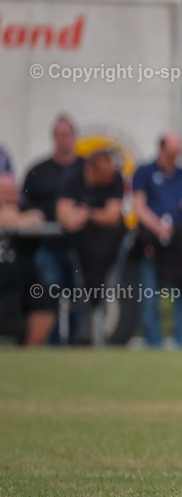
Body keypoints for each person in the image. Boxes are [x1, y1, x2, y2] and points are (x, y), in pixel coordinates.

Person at [133, 132, 182, 349]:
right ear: (161, 149)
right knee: (150, 297)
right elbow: (139, 207)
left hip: (178, 243)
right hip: (152, 241)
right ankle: (154, 346)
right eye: (171, 153)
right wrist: (158, 227)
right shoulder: (144, 172)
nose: (174, 157)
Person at [55, 148, 125, 341]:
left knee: (106, 290)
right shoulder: (72, 178)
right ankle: (81, 337)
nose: (110, 178)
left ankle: (100, 337)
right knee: (80, 290)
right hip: (80, 247)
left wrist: (87, 213)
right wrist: (77, 216)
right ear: (91, 169)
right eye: (105, 174)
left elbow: (112, 216)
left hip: (110, 247)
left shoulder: (115, 178)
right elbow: (64, 215)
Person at [21, 114, 79, 343]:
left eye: (67, 134)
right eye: (59, 134)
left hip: (79, 247)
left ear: (74, 136)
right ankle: (50, 345)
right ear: (53, 137)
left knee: (79, 298)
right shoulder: (38, 171)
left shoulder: (84, 169)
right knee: (48, 297)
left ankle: (76, 344)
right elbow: (24, 205)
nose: (63, 139)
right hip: (47, 247)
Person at [0, 173, 51, 346]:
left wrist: (14, 219)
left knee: (46, 298)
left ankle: (29, 353)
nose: (8, 194)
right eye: (4, 190)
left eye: (12, 190)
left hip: (21, 281)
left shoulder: (29, 211)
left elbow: (37, 218)